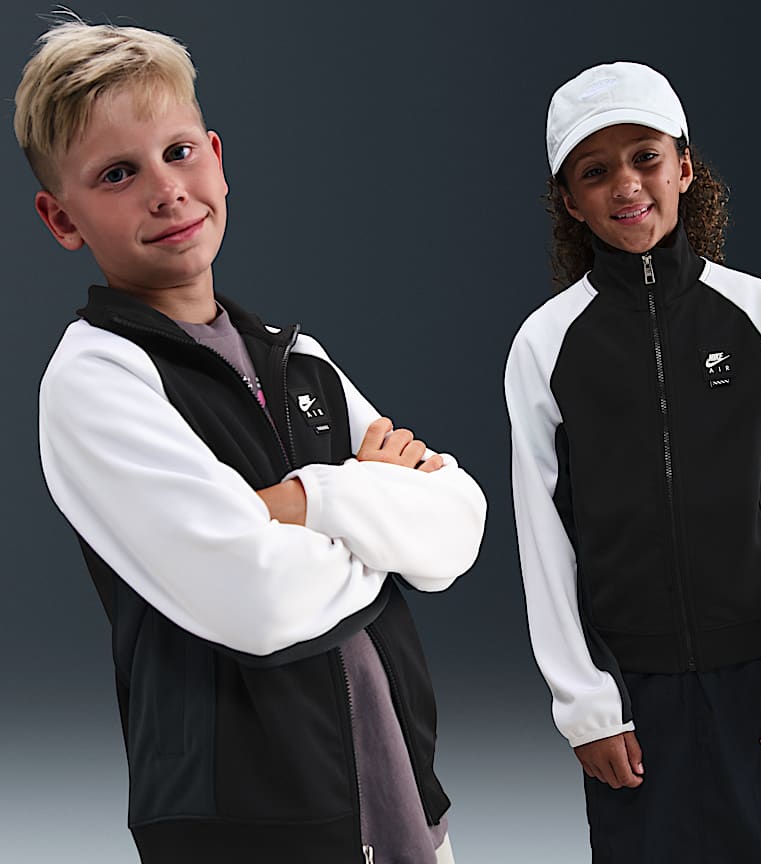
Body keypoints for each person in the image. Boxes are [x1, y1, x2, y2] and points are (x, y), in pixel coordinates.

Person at [15, 18, 485, 864]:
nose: (167, 191)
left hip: (403, 801)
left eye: (179, 152)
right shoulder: (97, 378)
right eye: (118, 173)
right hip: (244, 827)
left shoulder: (297, 357)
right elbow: (257, 601)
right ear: (60, 217)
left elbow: (457, 528)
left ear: (217, 157)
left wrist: (300, 503)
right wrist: (377, 515)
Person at [504, 61, 761, 862]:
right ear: (570, 202)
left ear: (685, 167)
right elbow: (542, 535)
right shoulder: (546, 345)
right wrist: (587, 706)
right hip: (638, 699)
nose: (626, 185)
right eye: (595, 172)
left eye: (646, 157)